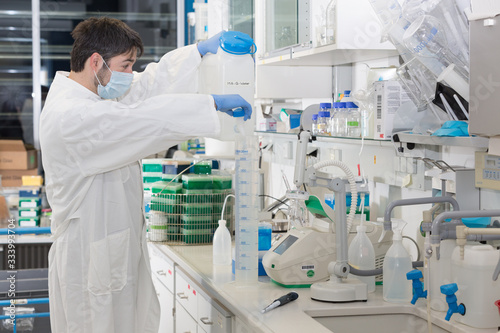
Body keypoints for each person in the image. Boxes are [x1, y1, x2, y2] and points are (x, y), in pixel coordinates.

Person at [39, 17, 251, 333]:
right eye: (125, 65)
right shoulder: (72, 115)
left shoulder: (96, 94)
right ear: (95, 62)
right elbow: (142, 119)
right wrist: (210, 105)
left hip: (108, 252)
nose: (130, 75)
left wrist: (197, 51)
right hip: (88, 263)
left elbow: (147, 86)